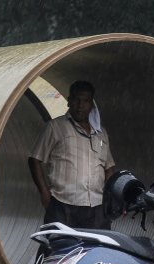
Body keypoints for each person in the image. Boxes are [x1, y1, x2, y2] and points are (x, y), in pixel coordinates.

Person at [28, 80, 116, 230]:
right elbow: (34, 159)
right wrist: (44, 193)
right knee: (57, 248)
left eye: (86, 101)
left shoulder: (101, 133)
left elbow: (109, 167)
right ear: (69, 101)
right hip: (63, 205)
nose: (80, 106)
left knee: (97, 250)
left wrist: (109, 198)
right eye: (77, 100)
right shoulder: (55, 128)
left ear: (91, 105)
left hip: (96, 207)